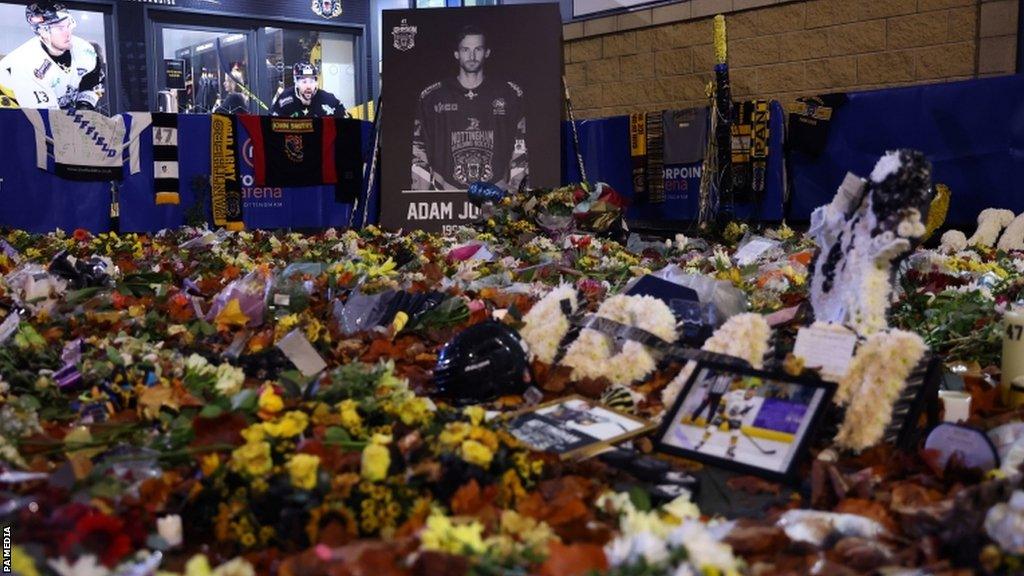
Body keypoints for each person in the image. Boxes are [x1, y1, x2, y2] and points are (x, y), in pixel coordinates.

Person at [410, 25, 527, 191]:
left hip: (497, 193)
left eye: (477, 49)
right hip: (445, 194)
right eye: (465, 50)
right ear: (456, 54)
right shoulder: (432, 97)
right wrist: (424, 193)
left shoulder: (509, 94)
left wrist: (515, 190)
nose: (472, 56)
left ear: (487, 52)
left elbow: (520, 144)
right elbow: (417, 148)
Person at [0, 1, 105, 111]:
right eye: (60, 28)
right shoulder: (26, 63)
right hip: (10, 107)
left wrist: (85, 105)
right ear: (43, 32)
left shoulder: (84, 50)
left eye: (68, 24)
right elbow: (47, 118)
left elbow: (94, 80)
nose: (68, 32)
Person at [271, 62, 346, 118]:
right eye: (304, 82)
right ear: (296, 82)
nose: (308, 86)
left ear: (316, 82)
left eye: (312, 81)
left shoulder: (329, 100)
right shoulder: (284, 99)